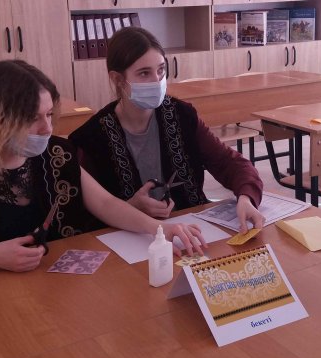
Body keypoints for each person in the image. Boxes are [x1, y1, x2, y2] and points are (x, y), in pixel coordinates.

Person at [0, 60, 206, 275]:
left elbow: (106, 204)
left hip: (56, 294)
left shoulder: (58, 154)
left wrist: (159, 230)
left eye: (48, 115)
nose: (47, 128)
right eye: (32, 119)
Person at [70, 27, 265, 232]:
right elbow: (81, 217)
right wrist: (131, 207)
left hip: (193, 228)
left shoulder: (182, 115)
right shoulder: (91, 138)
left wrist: (246, 198)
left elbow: (229, 163)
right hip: (128, 237)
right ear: (118, 79)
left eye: (161, 70)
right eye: (144, 73)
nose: (157, 80)